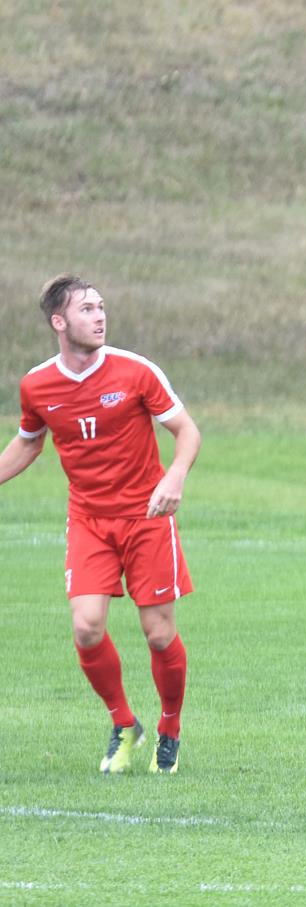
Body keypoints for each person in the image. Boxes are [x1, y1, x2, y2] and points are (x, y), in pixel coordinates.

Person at [0, 275, 201, 775]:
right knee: (87, 628)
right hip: (88, 519)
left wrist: (174, 477)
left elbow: (186, 430)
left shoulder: (135, 371)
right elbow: (29, 441)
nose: (99, 316)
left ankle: (169, 729)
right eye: (87, 309)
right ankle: (124, 723)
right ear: (59, 321)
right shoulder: (37, 384)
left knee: (158, 634)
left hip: (147, 517)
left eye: (101, 306)